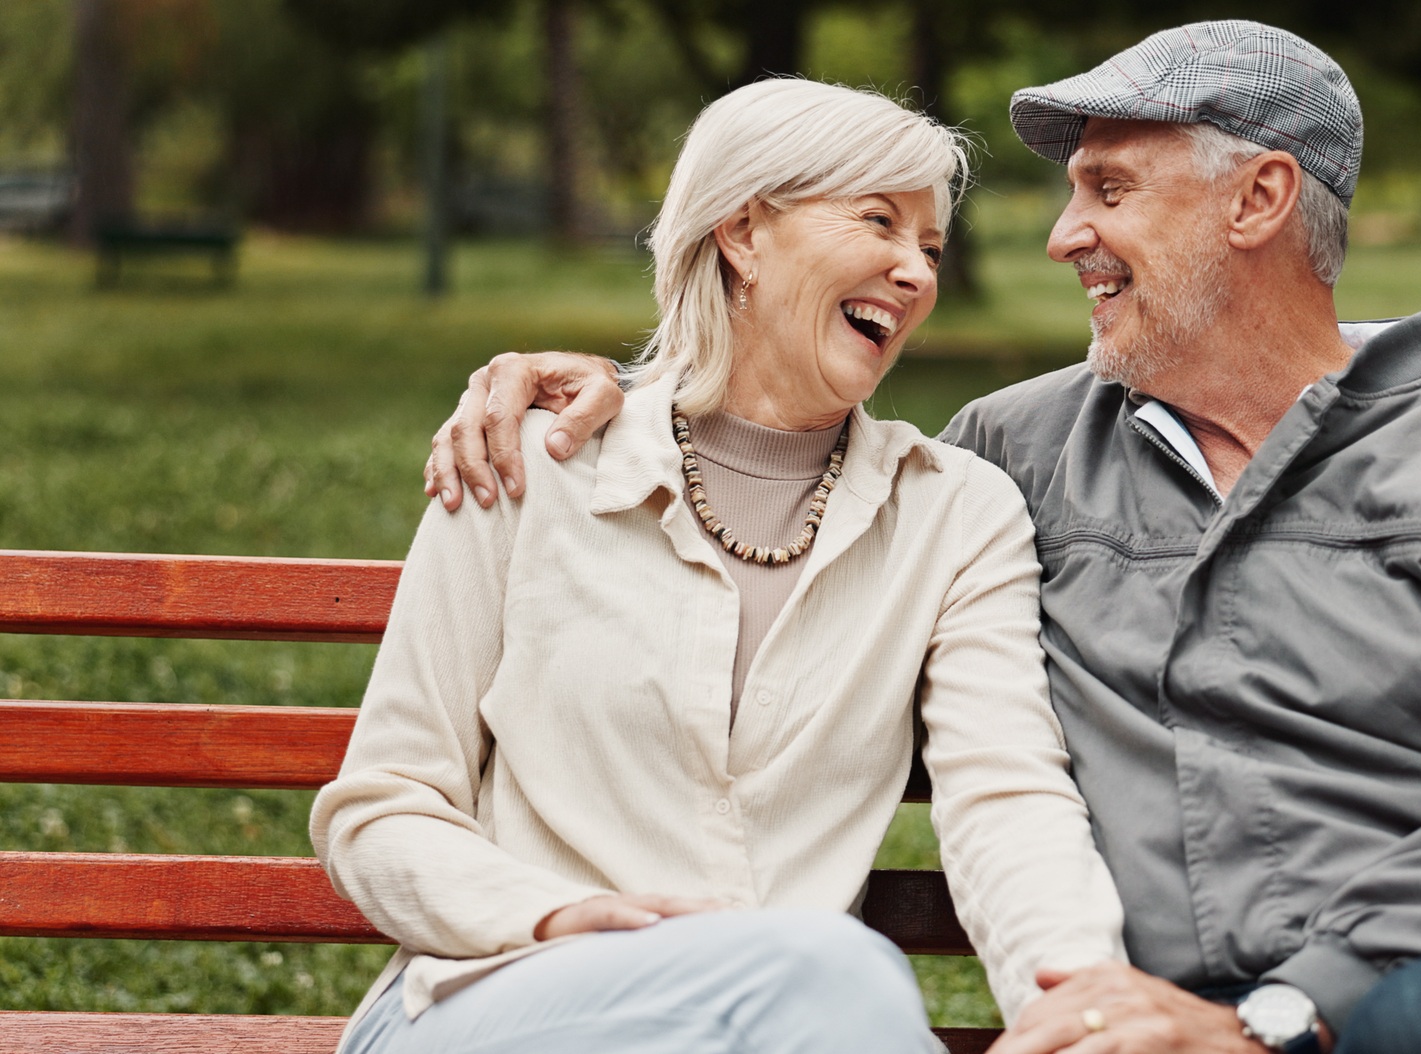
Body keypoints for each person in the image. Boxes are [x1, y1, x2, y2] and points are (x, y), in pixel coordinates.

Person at [428, 21, 1421, 1054]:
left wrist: (1272, 1022)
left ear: (1259, 198)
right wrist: (620, 394)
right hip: (1132, 1023)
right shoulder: (1009, 455)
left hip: (1409, 1013)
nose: (1062, 235)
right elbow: (782, 459)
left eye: (1109, 190)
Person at [312, 78, 1125, 1054]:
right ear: (742, 231)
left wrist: (1081, 1004)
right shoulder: (532, 461)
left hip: (783, 1025)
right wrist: (552, 919)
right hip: (507, 999)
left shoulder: (953, 517)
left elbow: (1006, 797)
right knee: (834, 970)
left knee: (818, 982)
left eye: (931, 247)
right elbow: (384, 806)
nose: (914, 271)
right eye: (878, 221)